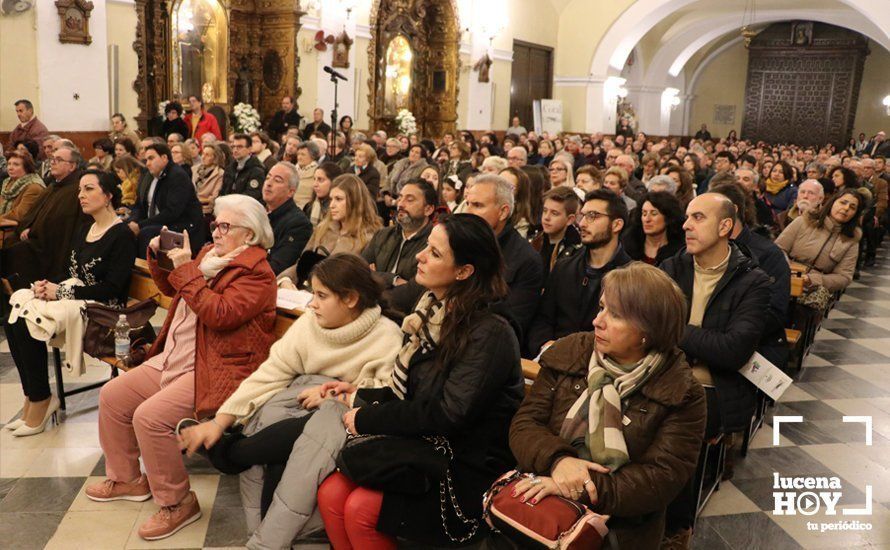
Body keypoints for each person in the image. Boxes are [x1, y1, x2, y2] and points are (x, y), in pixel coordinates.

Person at [318, 214, 524, 548]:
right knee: (330, 493)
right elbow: (414, 394)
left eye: (435, 253)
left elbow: (449, 414)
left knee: (360, 508)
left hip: (465, 463)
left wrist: (368, 417)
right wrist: (361, 396)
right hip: (427, 444)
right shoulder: (432, 310)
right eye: (426, 246)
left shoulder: (490, 332)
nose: (420, 255)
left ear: (464, 272)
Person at [84, 194, 278, 540]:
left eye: (225, 226)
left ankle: (178, 502)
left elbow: (219, 315)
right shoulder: (209, 257)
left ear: (249, 236)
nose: (216, 233)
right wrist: (162, 258)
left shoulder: (258, 275)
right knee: (113, 394)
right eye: (215, 224)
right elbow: (171, 290)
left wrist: (188, 268)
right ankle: (128, 478)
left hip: (217, 369)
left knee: (150, 417)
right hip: (179, 356)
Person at [178, 253, 402, 549]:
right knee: (270, 422)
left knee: (311, 435)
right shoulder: (311, 323)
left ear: (350, 298)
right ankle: (264, 530)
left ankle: (234, 454)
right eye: (312, 293)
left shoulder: (386, 334)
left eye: (321, 296)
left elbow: (385, 392)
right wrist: (221, 420)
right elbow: (272, 372)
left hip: (347, 416)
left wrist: (332, 393)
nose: (312, 303)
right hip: (301, 399)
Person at [509, 263, 706, 550]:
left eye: (615, 315)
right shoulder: (572, 352)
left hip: (620, 528)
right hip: (541, 502)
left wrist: (575, 485)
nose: (597, 321)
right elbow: (525, 424)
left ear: (647, 331)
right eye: (601, 308)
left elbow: (658, 480)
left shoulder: (682, 392)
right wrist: (559, 461)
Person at [660, 193, 772, 544]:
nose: (685, 225)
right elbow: (647, 327)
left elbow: (732, 351)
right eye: (686, 218)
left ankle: (675, 529)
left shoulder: (752, 282)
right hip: (661, 373)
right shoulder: (671, 267)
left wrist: (675, 330)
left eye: (698, 218)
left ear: (725, 227)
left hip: (713, 389)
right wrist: (694, 338)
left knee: (671, 433)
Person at [4, 170, 136, 437]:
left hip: (104, 311)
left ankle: (41, 399)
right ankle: (34, 396)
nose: (81, 196)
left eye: (89, 189)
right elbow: (70, 273)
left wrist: (60, 293)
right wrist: (46, 286)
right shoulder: (85, 229)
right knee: (16, 310)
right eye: (80, 190)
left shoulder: (121, 235)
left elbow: (111, 288)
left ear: (108, 195)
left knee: (28, 320)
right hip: (78, 300)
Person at [527, 189, 632, 357]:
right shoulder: (564, 267)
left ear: (616, 225)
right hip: (553, 358)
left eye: (593, 216)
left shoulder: (631, 276)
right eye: (582, 216)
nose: (583, 223)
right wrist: (545, 345)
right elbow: (542, 318)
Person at [710, 183, 790, 370]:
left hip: (754, 344)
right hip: (707, 340)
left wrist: (721, 331)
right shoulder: (701, 249)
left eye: (701, 216)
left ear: (731, 213)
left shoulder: (768, 254)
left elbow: (773, 313)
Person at [464, 174, 543, 338]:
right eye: (468, 204)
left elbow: (512, 325)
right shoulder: (459, 242)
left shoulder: (527, 260)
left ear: (503, 212)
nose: (468, 212)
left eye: (477, 205)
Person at [2, 145, 86, 289]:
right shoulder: (53, 186)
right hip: (36, 239)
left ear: (72, 166)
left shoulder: (75, 190)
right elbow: (32, 215)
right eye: (52, 159)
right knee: (11, 242)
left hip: (51, 249)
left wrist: (32, 231)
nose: (52, 162)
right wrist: (27, 226)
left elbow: (59, 223)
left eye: (58, 160)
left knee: (18, 251)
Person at [775, 189, 863, 293]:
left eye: (852, 207)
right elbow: (778, 248)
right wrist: (788, 269)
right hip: (787, 274)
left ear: (855, 214)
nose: (846, 208)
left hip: (816, 286)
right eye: (843, 202)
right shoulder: (804, 221)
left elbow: (844, 277)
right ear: (832, 203)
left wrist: (813, 280)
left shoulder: (851, 239)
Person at [127, 143, 205, 257]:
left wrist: (140, 226)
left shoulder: (177, 176)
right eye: (146, 159)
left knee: (146, 233)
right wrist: (133, 222)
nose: (147, 163)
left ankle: (148, 271)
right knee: (123, 229)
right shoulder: (148, 175)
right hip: (156, 223)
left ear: (164, 158)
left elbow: (172, 213)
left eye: (151, 158)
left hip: (182, 226)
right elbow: (139, 204)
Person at [361, 179, 435, 288]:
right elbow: (359, 270)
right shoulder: (382, 235)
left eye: (409, 200)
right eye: (400, 198)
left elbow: (415, 291)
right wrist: (393, 280)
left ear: (428, 209)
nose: (400, 204)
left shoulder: (432, 244)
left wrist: (375, 276)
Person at [263, 162, 312, 275]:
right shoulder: (258, 211)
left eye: (277, 180)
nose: (268, 183)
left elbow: (278, 266)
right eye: (268, 178)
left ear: (291, 192)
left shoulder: (299, 224)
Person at [530, 186, 581, 277]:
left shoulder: (577, 252)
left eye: (554, 213)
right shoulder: (534, 240)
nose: (546, 217)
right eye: (545, 211)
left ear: (570, 220)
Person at [622, 191, 685, 265]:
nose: (647, 219)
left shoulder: (680, 252)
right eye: (644, 214)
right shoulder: (627, 245)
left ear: (668, 217)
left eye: (654, 213)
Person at [0, 151, 45, 246]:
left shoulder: (34, 187)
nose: (10, 167)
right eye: (9, 164)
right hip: (4, 228)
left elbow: (20, 214)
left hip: (18, 233)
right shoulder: (8, 182)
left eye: (16, 164)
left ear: (27, 167)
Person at [220, 133, 266, 202]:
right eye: (233, 147)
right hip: (227, 206)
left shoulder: (257, 170)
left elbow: (251, 196)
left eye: (240, 147)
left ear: (249, 149)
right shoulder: (230, 168)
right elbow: (223, 191)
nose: (235, 150)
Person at [304, 162, 342, 227]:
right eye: (314, 179)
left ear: (334, 181)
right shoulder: (309, 207)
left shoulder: (341, 211)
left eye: (320, 180)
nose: (315, 184)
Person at [192, 143, 226, 215]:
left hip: (206, 210)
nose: (203, 157)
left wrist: (195, 200)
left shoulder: (220, 173)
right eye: (203, 154)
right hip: (190, 207)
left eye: (207, 155)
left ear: (215, 158)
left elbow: (214, 198)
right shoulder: (193, 169)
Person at [293, 140, 321, 208]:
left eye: (303, 154)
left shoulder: (317, 171)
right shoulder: (292, 169)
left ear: (312, 156)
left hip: (306, 209)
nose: (299, 157)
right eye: (298, 154)